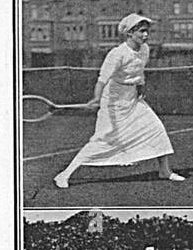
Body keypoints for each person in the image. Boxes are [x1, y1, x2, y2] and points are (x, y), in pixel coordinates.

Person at [54, 15, 184, 190]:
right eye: (141, 31)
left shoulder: (144, 49)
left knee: (156, 129)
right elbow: (102, 80)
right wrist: (96, 98)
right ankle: (65, 174)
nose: (146, 35)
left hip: (133, 99)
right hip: (113, 102)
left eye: (147, 31)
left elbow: (139, 72)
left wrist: (141, 88)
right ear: (130, 33)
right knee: (102, 140)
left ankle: (165, 171)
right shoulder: (117, 54)